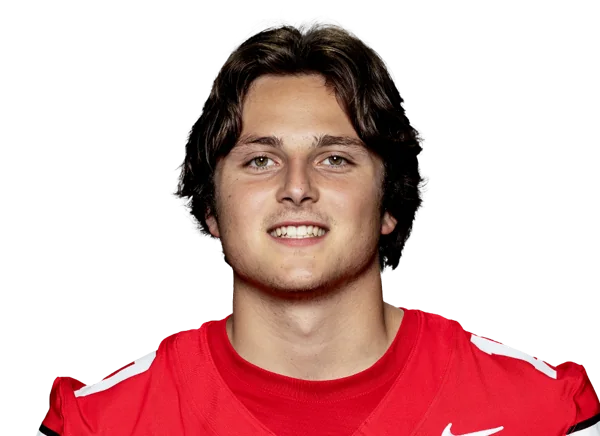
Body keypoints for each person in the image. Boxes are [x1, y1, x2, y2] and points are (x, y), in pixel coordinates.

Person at [37, 19, 598, 436]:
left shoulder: (543, 411)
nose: (297, 186)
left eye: (335, 159)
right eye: (260, 160)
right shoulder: (98, 423)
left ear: (389, 203)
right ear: (211, 208)